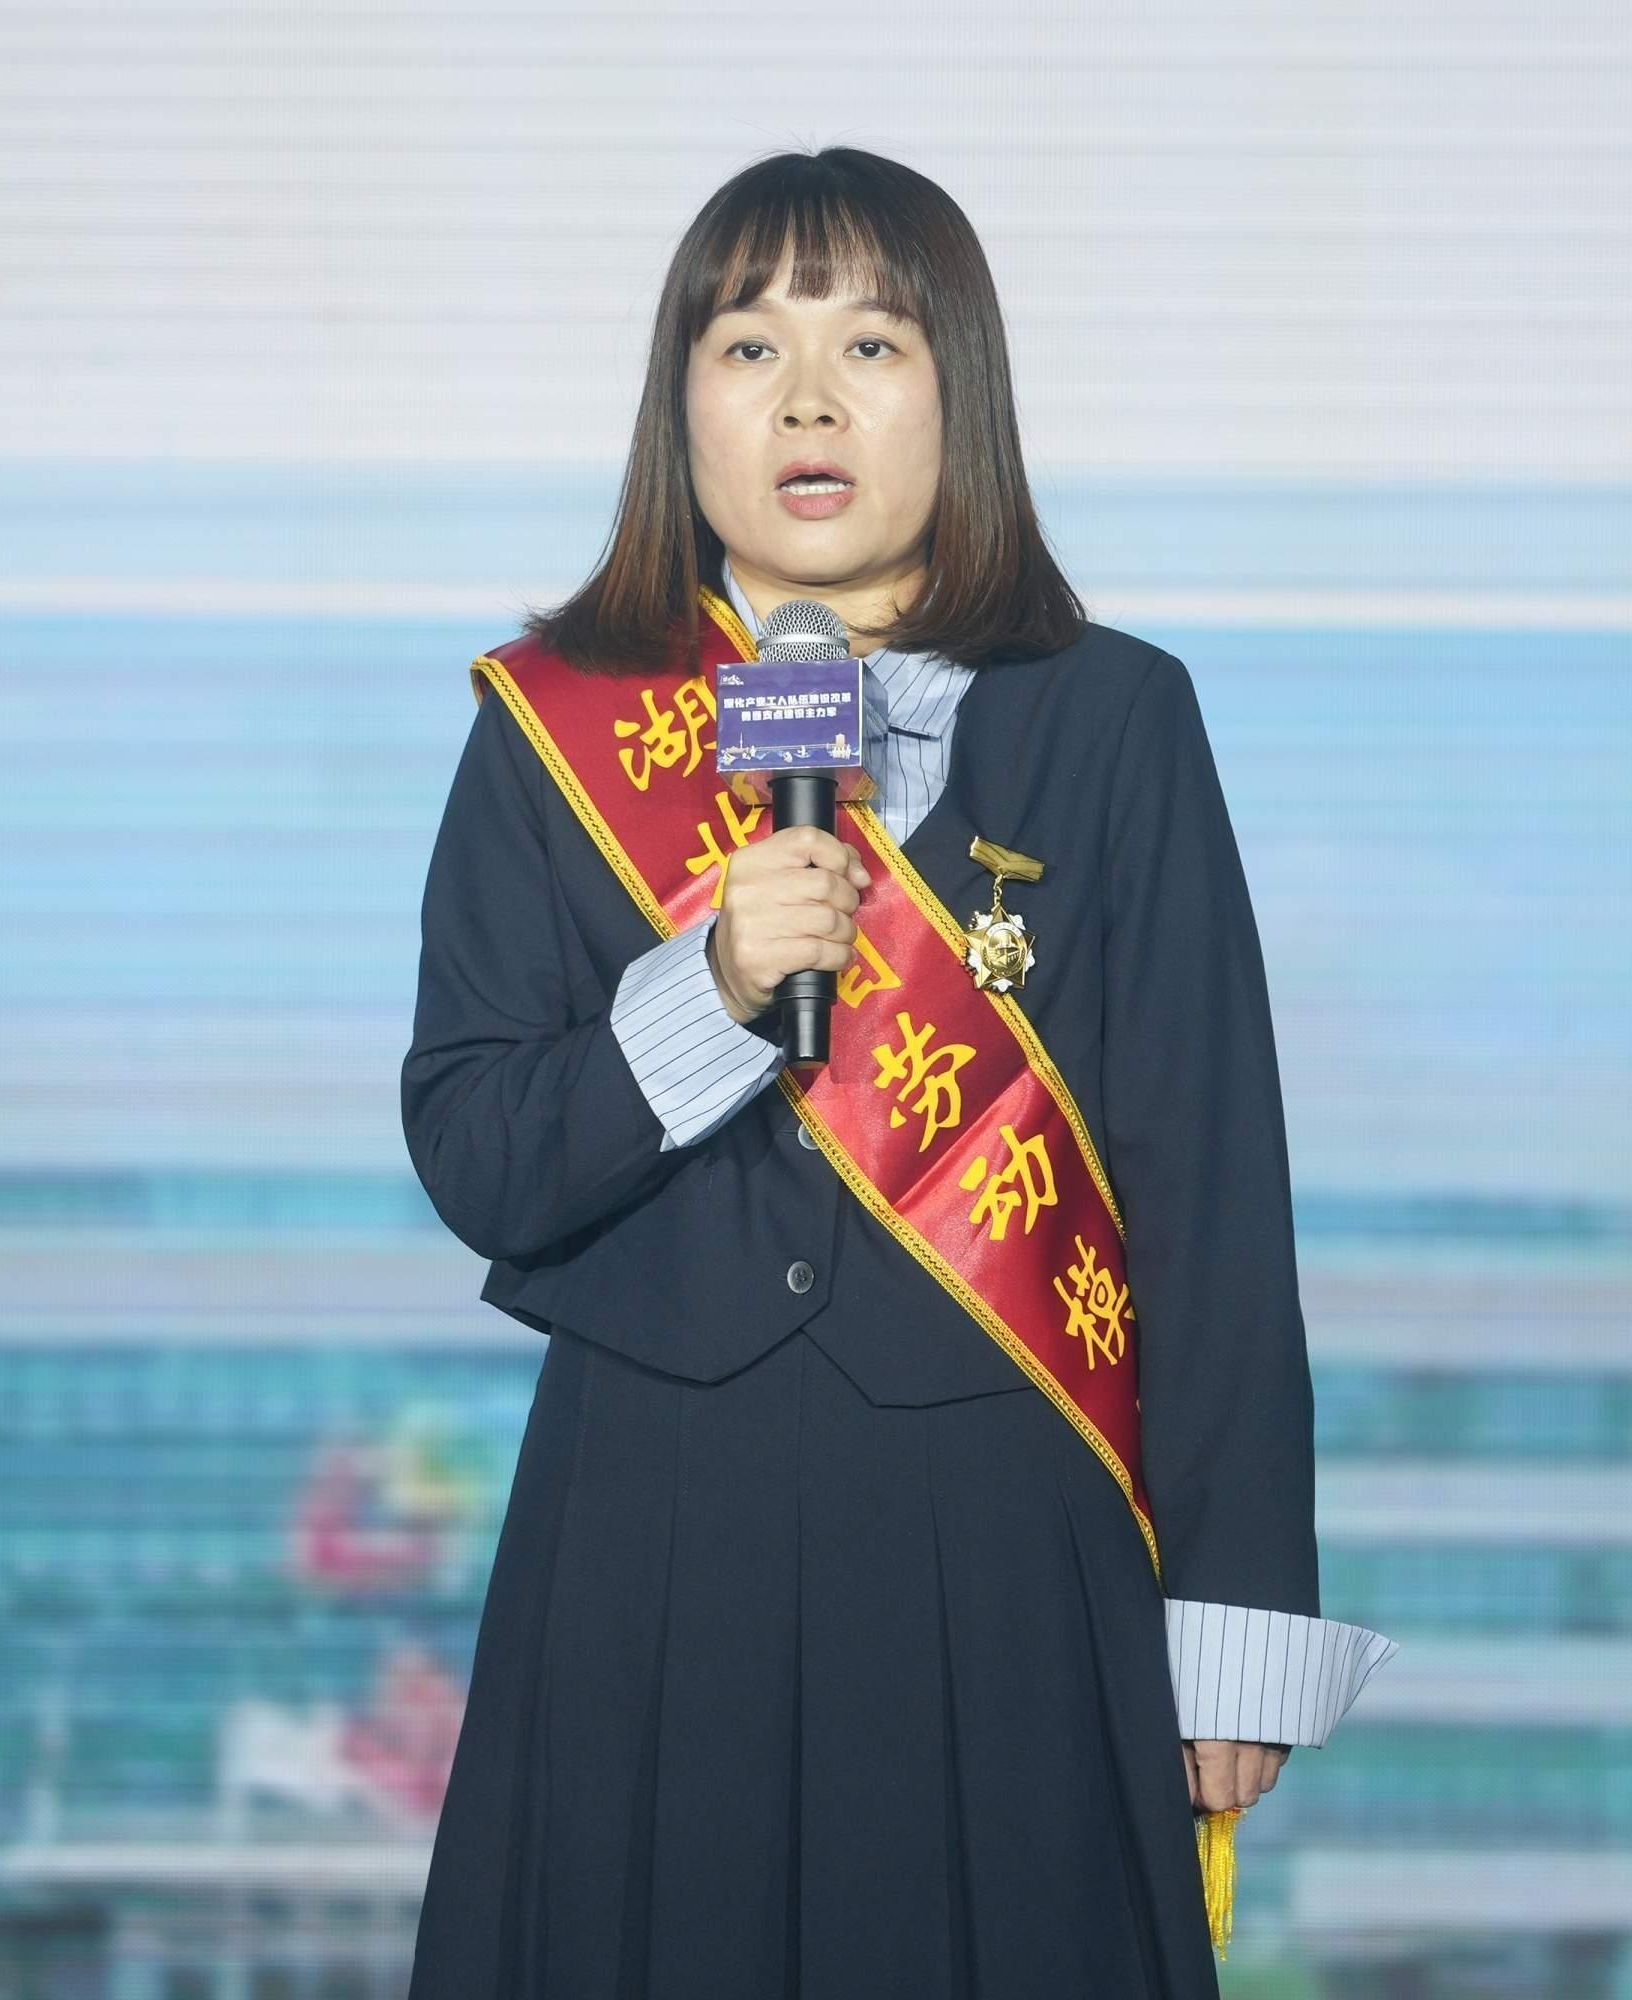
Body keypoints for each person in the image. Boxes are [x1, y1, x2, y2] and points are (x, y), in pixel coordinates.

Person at [399, 145, 1395, 2000]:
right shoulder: (555, 726)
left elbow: (1209, 1192)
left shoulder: (1115, 717)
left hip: (1010, 1532)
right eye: (748, 347)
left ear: (962, 395)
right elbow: (478, 1149)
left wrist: (1234, 1617)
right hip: (650, 1537)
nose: (807, 400)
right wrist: (711, 989)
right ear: (679, 406)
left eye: (870, 345)